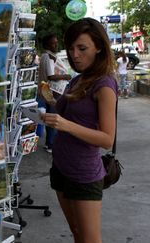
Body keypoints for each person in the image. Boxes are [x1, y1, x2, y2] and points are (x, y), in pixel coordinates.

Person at [42, 18, 118, 243]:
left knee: (90, 239)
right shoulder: (79, 80)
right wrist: (46, 105)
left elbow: (106, 138)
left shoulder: (104, 84)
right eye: (71, 48)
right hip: (61, 168)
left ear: (99, 47)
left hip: (84, 174)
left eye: (82, 48)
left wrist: (64, 125)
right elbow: (67, 112)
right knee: (76, 232)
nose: (75, 54)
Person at [37, 33, 72, 153]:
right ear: (47, 44)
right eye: (53, 42)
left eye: (56, 42)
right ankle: (51, 144)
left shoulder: (49, 56)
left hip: (48, 91)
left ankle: (49, 143)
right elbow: (51, 76)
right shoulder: (47, 57)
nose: (56, 44)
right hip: (50, 92)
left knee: (51, 118)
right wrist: (65, 76)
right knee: (53, 118)